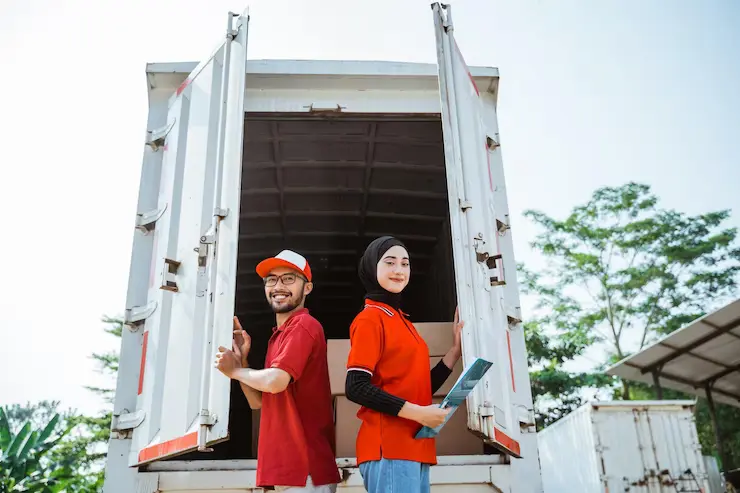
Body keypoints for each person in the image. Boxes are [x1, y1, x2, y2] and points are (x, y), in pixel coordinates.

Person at [344, 236, 464, 493]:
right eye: (390, 262)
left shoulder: (402, 320)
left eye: (405, 263)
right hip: (388, 448)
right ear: (372, 267)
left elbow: (416, 386)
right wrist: (420, 414)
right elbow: (356, 387)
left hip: (415, 448)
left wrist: (454, 353)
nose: (399, 270)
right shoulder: (370, 318)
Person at [215, 249, 341, 493]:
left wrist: (234, 372)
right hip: (287, 472)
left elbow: (275, 382)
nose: (278, 286)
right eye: (271, 280)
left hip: (304, 469)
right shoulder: (279, 337)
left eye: (289, 279)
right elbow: (258, 402)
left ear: (307, 288)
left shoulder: (304, 325)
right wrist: (242, 364)